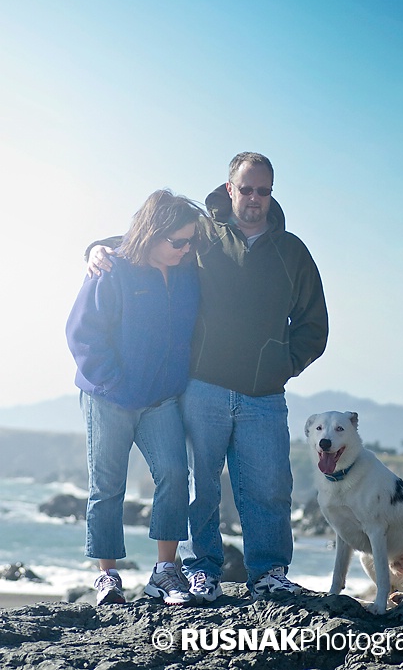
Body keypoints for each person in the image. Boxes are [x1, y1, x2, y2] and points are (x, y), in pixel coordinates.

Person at [87, 153, 328, 602]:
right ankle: (203, 570)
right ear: (230, 187)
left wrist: (282, 364)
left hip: (264, 394)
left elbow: (314, 325)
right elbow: (147, 239)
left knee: (270, 487)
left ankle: (268, 573)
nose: (255, 198)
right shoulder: (201, 236)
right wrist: (95, 250)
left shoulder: (292, 251)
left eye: (264, 190)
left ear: (271, 193)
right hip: (201, 387)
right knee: (202, 486)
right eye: (247, 188)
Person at [67, 189, 203, 606]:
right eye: (178, 241)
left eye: (190, 240)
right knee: (107, 486)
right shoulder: (113, 269)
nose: (186, 248)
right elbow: (82, 332)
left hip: (161, 399)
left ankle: (165, 571)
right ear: (154, 234)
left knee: (175, 476)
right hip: (109, 397)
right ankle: (107, 576)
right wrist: (112, 383)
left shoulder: (187, 270)